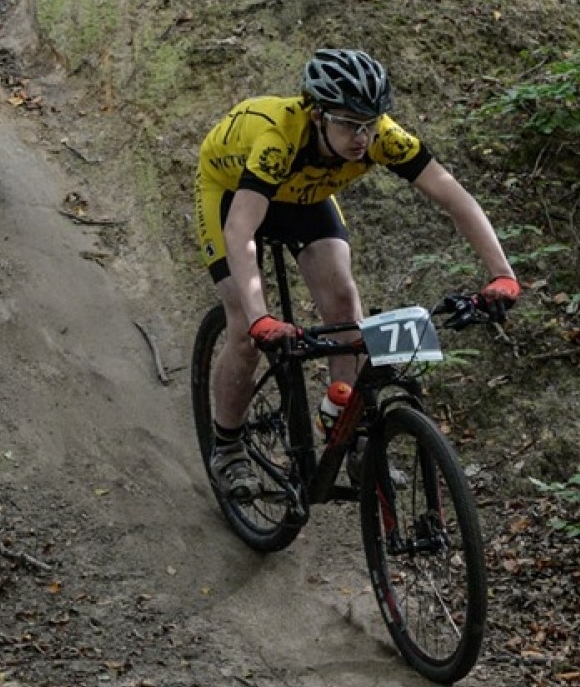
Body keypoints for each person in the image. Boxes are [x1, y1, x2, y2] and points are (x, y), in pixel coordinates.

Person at [194, 48, 519, 500]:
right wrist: (260, 317)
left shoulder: (382, 135)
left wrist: (501, 275)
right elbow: (241, 230)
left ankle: (342, 417)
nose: (362, 137)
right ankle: (227, 445)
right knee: (244, 330)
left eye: (369, 123)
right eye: (348, 123)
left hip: (305, 199)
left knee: (345, 306)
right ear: (316, 115)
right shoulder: (278, 137)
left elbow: (453, 197)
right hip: (233, 195)